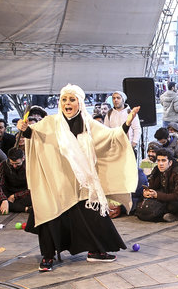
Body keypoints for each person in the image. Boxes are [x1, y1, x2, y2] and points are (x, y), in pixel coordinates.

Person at [15, 84, 138, 272]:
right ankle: (48, 256)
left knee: (94, 216)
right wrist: (24, 129)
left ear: (79, 102)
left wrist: (127, 122)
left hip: (82, 183)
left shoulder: (89, 124)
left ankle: (96, 251)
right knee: (51, 216)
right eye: (64, 99)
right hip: (57, 182)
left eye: (72, 100)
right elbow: (34, 134)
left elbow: (111, 136)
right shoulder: (50, 123)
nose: (67, 103)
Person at [142, 148, 178, 222]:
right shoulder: (156, 170)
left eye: (163, 161)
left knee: (173, 206)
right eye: (158, 161)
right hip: (163, 198)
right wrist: (148, 192)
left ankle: (175, 216)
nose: (160, 164)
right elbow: (152, 186)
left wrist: (157, 195)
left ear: (170, 163)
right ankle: (162, 215)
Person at [0, 148, 31, 214]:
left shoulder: (29, 165)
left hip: (23, 194)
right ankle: (25, 209)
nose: (14, 166)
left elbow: (32, 188)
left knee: (34, 199)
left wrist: (15, 196)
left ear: (23, 158)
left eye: (17, 163)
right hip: (7, 194)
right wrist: (4, 200)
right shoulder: (3, 164)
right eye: (12, 163)